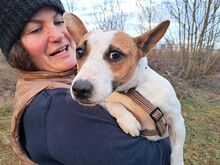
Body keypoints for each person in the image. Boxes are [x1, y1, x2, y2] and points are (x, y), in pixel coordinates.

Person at [0, 0, 171, 164]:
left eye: (59, 22)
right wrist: (161, 131)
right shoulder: (58, 108)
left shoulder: (49, 83)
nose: (58, 36)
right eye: (36, 29)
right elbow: (149, 160)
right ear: (18, 50)